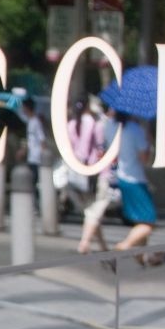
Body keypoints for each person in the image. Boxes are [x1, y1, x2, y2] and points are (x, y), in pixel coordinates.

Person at [112, 111, 163, 266]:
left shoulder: (115, 128)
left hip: (122, 177)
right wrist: (148, 142)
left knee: (139, 220)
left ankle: (142, 255)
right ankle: (123, 246)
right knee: (149, 221)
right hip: (135, 179)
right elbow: (144, 159)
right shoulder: (135, 130)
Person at [69, 99, 108, 254]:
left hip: (75, 172)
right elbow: (97, 148)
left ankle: (103, 247)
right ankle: (84, 243)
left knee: (89, 210)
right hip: (93, 172)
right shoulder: (95, 123)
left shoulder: (71, 124)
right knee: (95, 209)